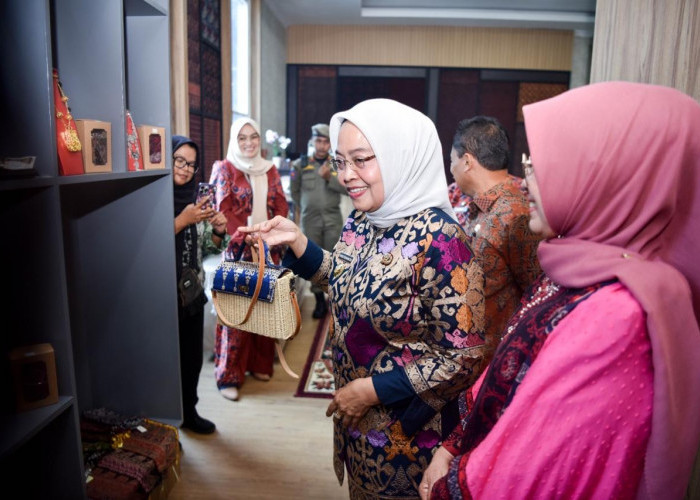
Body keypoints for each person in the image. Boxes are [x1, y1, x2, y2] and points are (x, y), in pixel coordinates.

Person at [420, 82, 700, 500]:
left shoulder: (618, 314)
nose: (526, 178)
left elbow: (527, 472)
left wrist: (447, 486)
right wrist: (453, 445)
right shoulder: (581, 264)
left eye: (544, 164)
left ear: (607, 180)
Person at [240, 98, 488, 499]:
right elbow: (343, 279)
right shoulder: (364, 218)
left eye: (361, 160)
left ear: (400, 156)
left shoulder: (443, 241)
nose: (347, 176)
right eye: (340, 161)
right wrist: (298, 242)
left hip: (409, 442)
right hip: (357, 429)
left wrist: (371, 390)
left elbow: (465, 357)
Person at [209, 117, 290, 402]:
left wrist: (269, 233)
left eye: (253, 136)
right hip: (238, 251)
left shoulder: (269, 170)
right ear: (234, 140)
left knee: (263, 308)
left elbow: (280, 205)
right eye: (242, 137)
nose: (248, 142)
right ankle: (228, 375)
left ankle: (259, 364)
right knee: (236, 313)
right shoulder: (224, 169)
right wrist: (247, 236)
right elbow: (222, 210)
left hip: (268, 249)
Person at [449, 116, 542, 361]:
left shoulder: (516, 215)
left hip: (494, 362)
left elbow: (534, 293)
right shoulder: (482, 208)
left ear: (467, 161)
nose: (451, 170)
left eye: (452, 161)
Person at [172, 134, 229, 434]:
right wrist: (181, 220)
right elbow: (140, 246)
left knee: (191, 360)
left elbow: (208, 248)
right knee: (167, 363)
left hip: (191, 294)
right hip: (162, 297)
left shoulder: (195, 200)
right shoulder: (151, 196)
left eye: (191, 165)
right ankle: (167, 422)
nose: (183, 168)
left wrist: (218, 231)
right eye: (178, 160)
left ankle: (189, 413)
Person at [290, 123, 347, 319]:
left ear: (330, 143)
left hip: (332, 219)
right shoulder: (300, 164)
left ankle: (336, 299)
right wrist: (308, 207)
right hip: (310, 220)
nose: (322, 146)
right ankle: (319, 301)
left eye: (326, 142)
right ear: (313, 141)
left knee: (335, 259)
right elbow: (295, 192)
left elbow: (346, 189)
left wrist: (328, 178)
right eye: (318, 141)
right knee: (313, 262)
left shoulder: (335, 164)